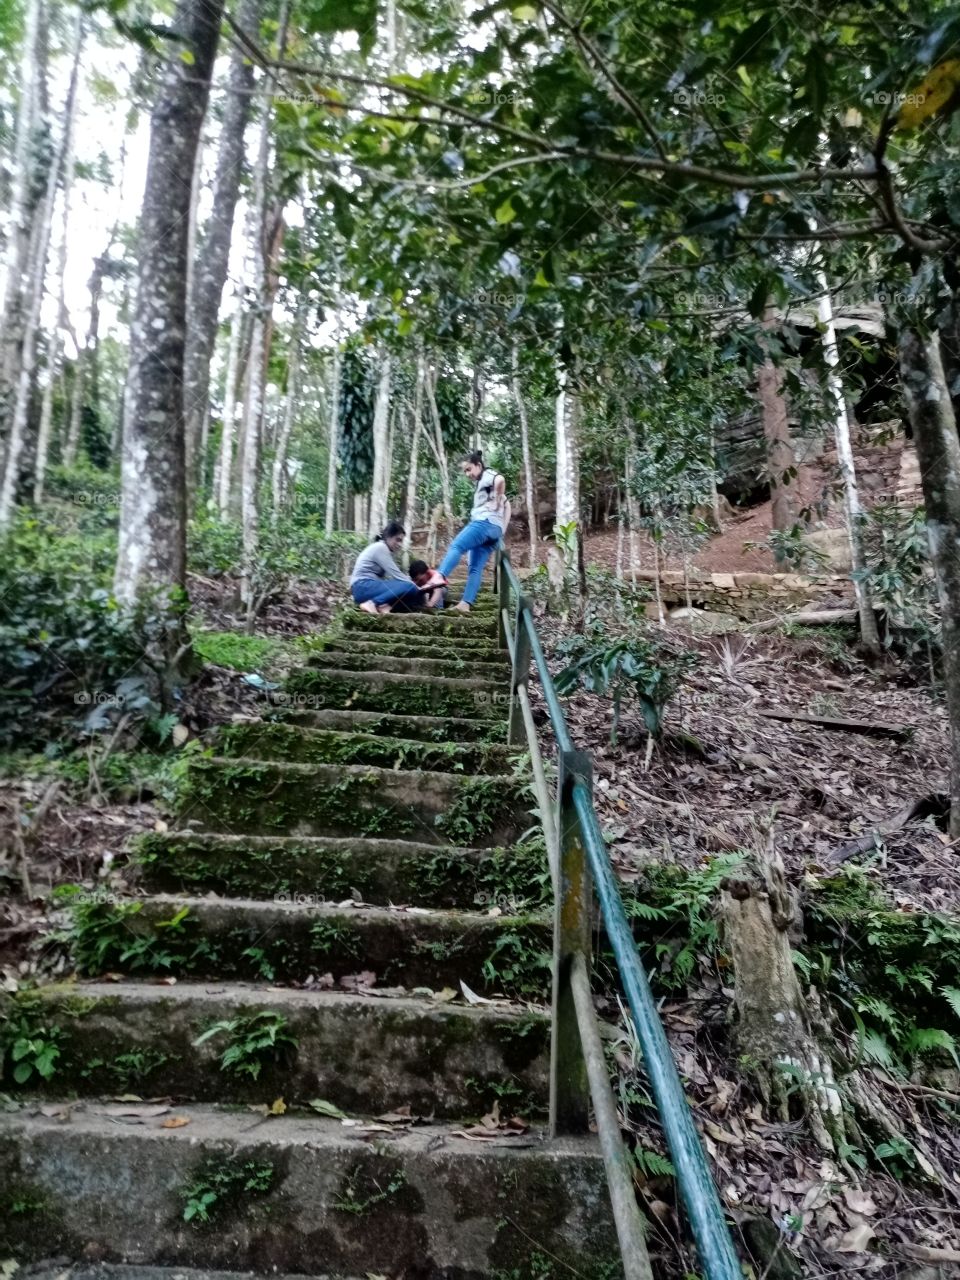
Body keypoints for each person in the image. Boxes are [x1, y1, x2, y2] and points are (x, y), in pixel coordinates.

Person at [438, 451, 511, 613]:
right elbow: (507, 505)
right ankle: (466, 604)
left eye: (469, 469)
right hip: (493, 531)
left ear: (478, 465)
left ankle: (438, 577)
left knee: (457, 546)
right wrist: (502, 530)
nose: (467, 474)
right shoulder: (485, 486)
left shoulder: (487, 475)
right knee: (475, 568)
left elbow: (501, 479)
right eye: (465, 471)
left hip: (484, 524)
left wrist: (496, 501)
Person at [349, 520, 423, 614]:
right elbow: (397, 575)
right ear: (388, 537)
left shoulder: (384, 549)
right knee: (410, 587)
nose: (399, 544)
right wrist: (416, 586)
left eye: (401, 541)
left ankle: (383, 605)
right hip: (362, 586)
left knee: (412, 596)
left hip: (365, 589)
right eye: (398, 539)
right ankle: (372, 603)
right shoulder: (380, 547)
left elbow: (392, 580)